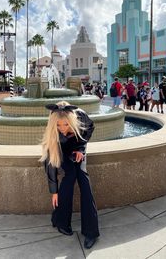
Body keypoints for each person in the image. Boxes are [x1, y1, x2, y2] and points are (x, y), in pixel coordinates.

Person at [40, 101, 100, 249]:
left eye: (66, 125)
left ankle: (91, 232)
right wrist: (54, 191)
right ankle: (60, 220)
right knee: (70, 175)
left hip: (78, 144)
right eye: (58, 125)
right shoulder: (53, 134)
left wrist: (80, 148)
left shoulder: (80, 115)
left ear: (72, 120)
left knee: (83, 178)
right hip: (61, 149)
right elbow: (50, 163)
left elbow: (90, 127)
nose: (62, 129)